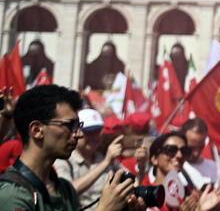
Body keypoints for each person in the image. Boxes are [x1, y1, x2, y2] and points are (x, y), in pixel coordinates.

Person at [0, 84, 140, 211]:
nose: (78, 134)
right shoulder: (13, 194)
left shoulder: (64, 191)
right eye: (69, 125)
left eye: (77, 126)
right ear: (37, 130)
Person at [53, 109, 126, 209]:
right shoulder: (64, 160)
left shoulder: (104, 156)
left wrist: (141, 168)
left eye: (97, 131)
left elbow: (131, 182)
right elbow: (68, 191)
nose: (94, 137)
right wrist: (105, 162)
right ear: (77, 132)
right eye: (88, 132)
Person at [144, 132, 220, 211]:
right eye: (171, 150)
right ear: (154, 159)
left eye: (184, 151)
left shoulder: (190, 194)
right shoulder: (145, 197)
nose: (179, 155)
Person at [180, 118, 220, 189]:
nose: (196, 153)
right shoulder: (171, 167)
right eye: (192, 147)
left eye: (200, 147)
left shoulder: (214, 167)